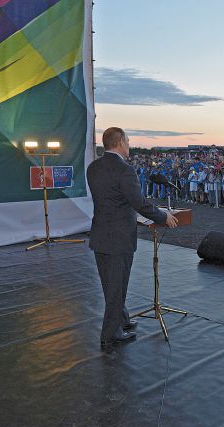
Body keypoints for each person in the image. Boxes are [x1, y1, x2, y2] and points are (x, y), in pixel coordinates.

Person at [87, 128, 178, 348]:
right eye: (127, 140)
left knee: (110, 283)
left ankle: (122, 320)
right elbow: (139, 203)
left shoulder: (93, 168)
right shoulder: (125, 170)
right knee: (117, 285)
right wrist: (163, 216)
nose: (129, 144)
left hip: (100, 234)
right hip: (119, 237)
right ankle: (110, 335)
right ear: (119, 143)